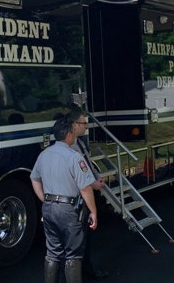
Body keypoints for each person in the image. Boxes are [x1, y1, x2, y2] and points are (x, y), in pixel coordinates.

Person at [31, 114, 98, 283]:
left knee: (53, 252)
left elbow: (34, 178)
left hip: (48, 208)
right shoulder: (74, 157)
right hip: (68, 211)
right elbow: (85, 188)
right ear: (69, 134)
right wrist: (93, 212)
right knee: (73, 254)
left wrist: (43, 198)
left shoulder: (44, 154)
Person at [64, 108, 110, 280]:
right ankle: (80, 274)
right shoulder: (70, 148)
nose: (86, 126)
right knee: (79, 240)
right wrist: (93, 185)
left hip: (85, 192)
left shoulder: (80, 143)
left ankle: (85, 270)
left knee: (85, 239)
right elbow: (80, 177)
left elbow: (88, 166)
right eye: (83, 123)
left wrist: (97, 178)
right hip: (77, 199)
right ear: (74, 125)